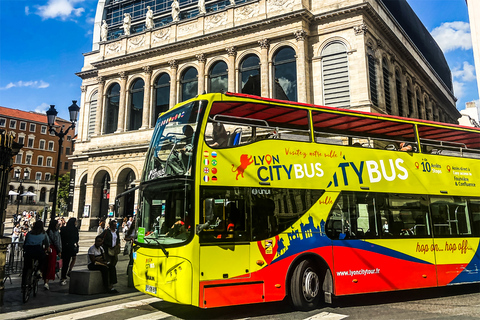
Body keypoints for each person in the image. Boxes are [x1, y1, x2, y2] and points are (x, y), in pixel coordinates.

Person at [22, 221, 50, 289]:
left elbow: (25, 243)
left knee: (26, 268)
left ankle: (23, 283)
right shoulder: (43, 234)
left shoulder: (29, 233)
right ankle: (39, 270)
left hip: (28, 250)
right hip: (38, 250)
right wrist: (48, 251)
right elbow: (47, 244)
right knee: (43, 258)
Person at [60, 218, 79, 285]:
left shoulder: (63, 229)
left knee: (65, 263)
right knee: (73, 258)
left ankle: (63, 277)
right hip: (71, 246)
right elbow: (77, 239)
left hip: (64, 247)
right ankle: (70, 270)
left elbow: (61, 238)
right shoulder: (75, 229)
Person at [44, 220, 62, 290]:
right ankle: (46, 282)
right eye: (57, 224)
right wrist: (59, 251)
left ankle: (45, 280)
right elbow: (57, 242)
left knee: (45, 265)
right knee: (50, 265)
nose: (58, 225)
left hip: (46, 248)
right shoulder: (55, 232)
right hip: (52, 249)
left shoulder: (47, 232)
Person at [101, 220, 120, 288]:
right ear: (111, 225)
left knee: (113, 265)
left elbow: (118, 239)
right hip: (108, 250)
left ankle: (111, 282)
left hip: (114, 250)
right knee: (109, 265)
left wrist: (118, 244)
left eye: (116, 225)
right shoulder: (107, 231)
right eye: (114, 225)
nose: (115, 226)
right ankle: (109, 283)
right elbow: (99, 237)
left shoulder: (116, 232)